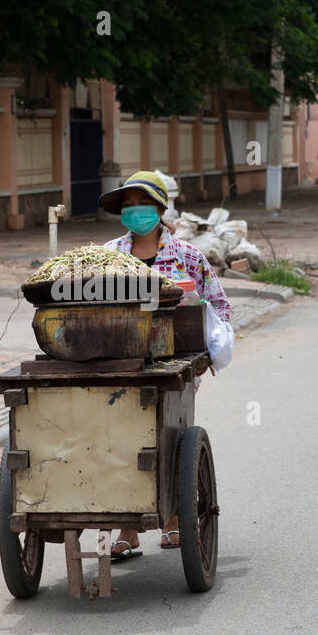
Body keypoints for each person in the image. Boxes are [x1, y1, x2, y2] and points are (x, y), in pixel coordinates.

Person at [98, 170, 230, 559]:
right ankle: (128, 528)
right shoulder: (109, 254)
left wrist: (205, 354)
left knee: (168, 442)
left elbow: (219, 306)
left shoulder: (189, 256)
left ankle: (173, 522)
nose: (135, 212)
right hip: (121, 364)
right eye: (128, 206)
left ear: (159, 209)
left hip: (174, 367)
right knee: (123, 443)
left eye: (142, 205)